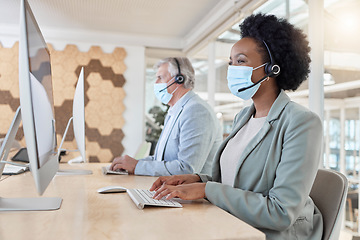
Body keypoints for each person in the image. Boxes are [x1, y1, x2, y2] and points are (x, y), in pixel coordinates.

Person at [150, 14, 323, 240]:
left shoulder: (301, 122)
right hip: (232, 222)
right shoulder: (244, 116)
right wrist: (196, 180)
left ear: (272, 69)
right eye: (231, 62)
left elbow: (280, 213)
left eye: (241, 61)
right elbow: (234, 182)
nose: (232, 69)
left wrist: (207, 190)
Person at [110, 57, 223, 176]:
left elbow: (187, 169)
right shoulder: (174, 112)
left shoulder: (197, 111)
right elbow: (160, 160)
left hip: (188, 192)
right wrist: (132, 164)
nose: (156, 83)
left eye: (160, 78)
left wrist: (137, 166)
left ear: (179, 79)